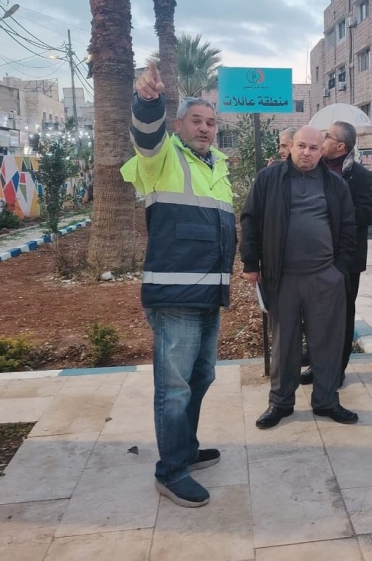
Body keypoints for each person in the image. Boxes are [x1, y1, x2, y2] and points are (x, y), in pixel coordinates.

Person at [119, 62, 237, 509]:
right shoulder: (163, 157)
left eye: (211, 122)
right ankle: (170, 472)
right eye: (196, 121)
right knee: (174, 388)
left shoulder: (217, 166)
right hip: (174, 296)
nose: (205, 128)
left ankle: (184, 449)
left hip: (208, 294)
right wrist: (148, 101)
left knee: (201, 377)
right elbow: (146, 137)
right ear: (180, 125)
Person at [241, 126, 359, 429]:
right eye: (301, 146)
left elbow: (349, 228)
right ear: (291, 146)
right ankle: (280, 402)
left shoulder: (335, 184)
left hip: (325, 278)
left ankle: (326, 400)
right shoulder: (269, 179)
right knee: (285, 343)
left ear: (322, 151)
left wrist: (339, 269)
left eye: (314, 148)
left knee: (327, 343)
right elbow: (250, 220)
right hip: (282, 278)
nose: (307, 152)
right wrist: (251, 262)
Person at [300, 121, 372, 385]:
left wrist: (335, 211)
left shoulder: (360, 176)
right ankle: (316, 363)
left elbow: (367, 214)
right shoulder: (315, 170)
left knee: (341, 316)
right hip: (315, 257)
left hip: (346, 261)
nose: (322, 139)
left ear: (340, 145)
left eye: (327, 136)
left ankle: (336, 369)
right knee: (315, 314)